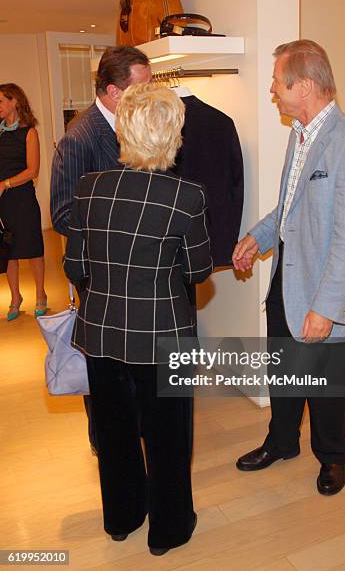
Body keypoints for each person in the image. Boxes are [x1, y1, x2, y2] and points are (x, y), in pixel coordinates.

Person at [63, 83, 213, 554]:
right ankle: (168, 530)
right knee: (168, 438)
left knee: (115, 433)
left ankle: (122, 519)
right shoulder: (186, 197)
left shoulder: (90, 189)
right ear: (174, 135)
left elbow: (75, 267)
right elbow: (198, 269)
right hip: (163, 336)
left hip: (103, 332)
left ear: (124, 131)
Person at [233, 40, 345, 495]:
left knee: (328, 387)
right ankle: (281, 442)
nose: (272, 90)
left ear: (306, 86)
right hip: (287, 281)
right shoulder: (300, 135)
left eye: (278, 81)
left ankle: (333, 458)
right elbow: (290, 207)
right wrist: (256, 237)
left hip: (327, 295)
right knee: (283, 370)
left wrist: (326, 307)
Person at [50, 46, 151, 454]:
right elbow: (61, 214)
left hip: (135, 273)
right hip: (99, 273)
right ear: (113, 90)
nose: (149, 94)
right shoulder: (80, 136)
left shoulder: (135, 124)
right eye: (141, 87)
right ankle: (105, 441)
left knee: (132, 364)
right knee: (103, 367)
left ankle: (136, 429)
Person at [0, 83, 47, 321]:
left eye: (0, 101)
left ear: (14, 101)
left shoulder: (29, 132)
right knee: (7, 251)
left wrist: (5, 184)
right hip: (1, 202)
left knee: (33, 248)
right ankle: (15, 297)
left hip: (22, 199)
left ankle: (40, 294)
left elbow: (33, 170)